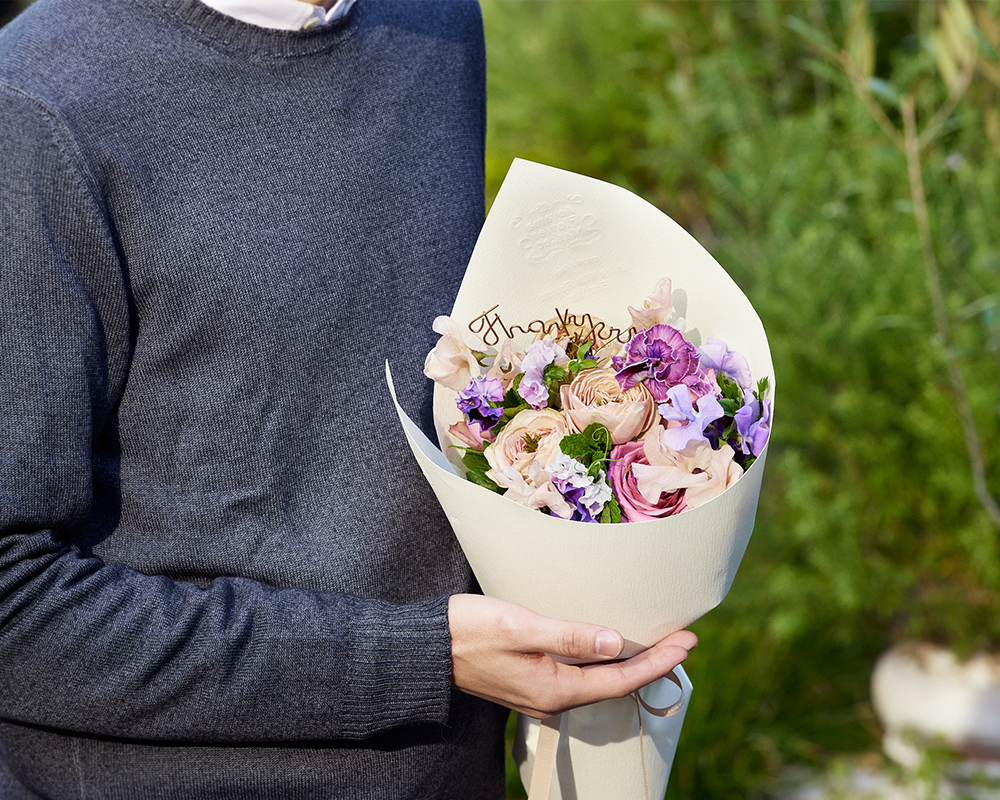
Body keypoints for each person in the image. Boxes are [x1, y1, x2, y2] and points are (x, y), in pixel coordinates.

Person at [0, 0, 696, 797]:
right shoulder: (35, 109)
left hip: (452, 767)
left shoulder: (433, 23)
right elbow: (11, 605)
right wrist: (419, 657)